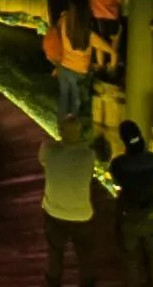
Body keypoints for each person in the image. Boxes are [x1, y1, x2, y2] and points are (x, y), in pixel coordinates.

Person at [41, 114, 105, 287]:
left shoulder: (50, 150)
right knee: (85, 258)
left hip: (53, 213)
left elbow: (43, 158)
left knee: (54, 255)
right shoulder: (88, 155)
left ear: (61, 132)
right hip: (81, 216)